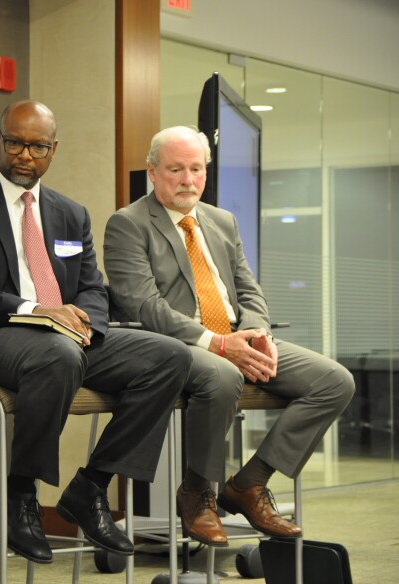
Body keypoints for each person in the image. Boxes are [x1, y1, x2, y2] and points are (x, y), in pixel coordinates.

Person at [0, 100, 191, 563]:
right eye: (15, 143)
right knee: (59, 355)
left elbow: (92, 287)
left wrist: (85, 322)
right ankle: (21, 493)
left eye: (37, 146)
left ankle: (91, 486)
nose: (24, 155)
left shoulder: (70, 213)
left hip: (65, 340)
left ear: (54, 149)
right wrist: (38, 310)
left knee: (170, 357)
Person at [103, 125, 355, 546]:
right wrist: (217, 344)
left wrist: (258, 333)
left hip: (235, 338)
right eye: (175, 169)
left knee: (334, 381)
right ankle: (198, 493)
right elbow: (143, 307)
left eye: (196, 169)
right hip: (177, 348)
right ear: (152, 172)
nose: (187, 180)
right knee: (222, 375)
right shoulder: (128, 224)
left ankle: (249, 484)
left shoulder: (222, 220)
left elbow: (248, 289)